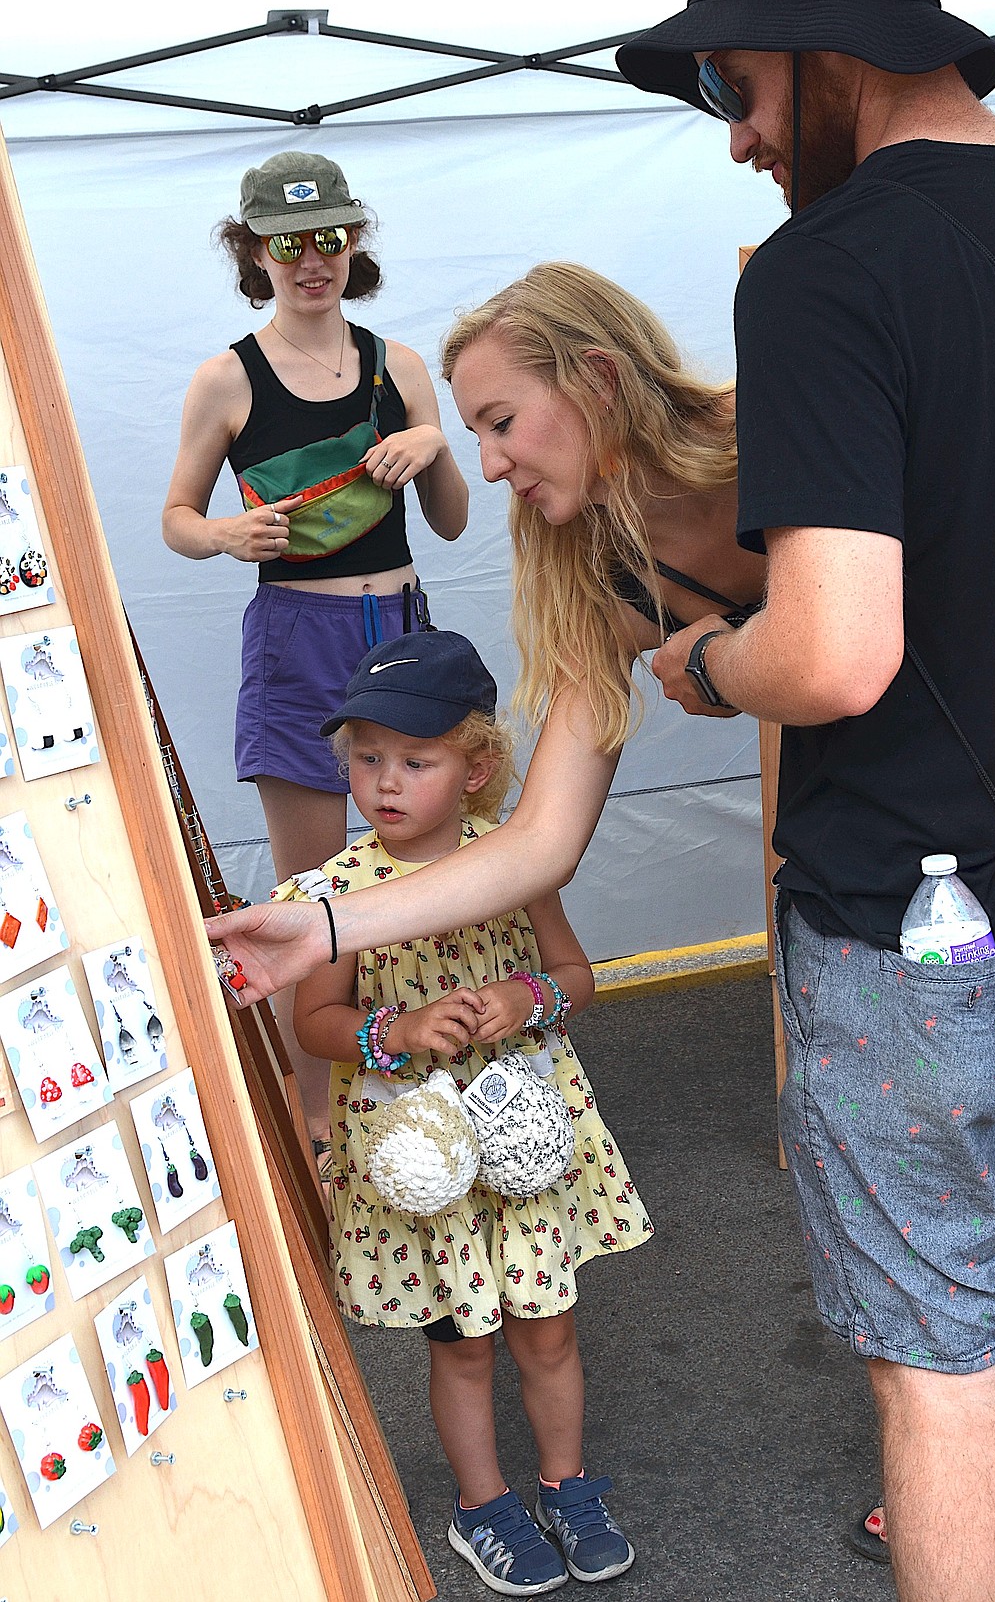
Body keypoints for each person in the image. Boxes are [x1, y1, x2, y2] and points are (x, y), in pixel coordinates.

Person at [614, 0, 995, 1602]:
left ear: (830, 50)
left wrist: (705, 664)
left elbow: (839, 652)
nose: (740, 138)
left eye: (742, 88)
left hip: (907, 928)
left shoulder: (826, 270)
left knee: (939, 1380)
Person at [206, 260, 765, 991]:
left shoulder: (774, 431)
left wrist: (725, 658)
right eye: (473, 434)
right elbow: (539, 841)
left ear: (599, 380)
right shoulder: (600, 579)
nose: (492, 466)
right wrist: (325, 928)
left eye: (501, 424)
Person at [281, 630, 649, 1595]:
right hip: (424, 1159)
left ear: (478, 765)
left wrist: (532, 999)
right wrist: (392, 1030)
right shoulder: (336, 896)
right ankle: (481, 1507)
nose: (385, 782)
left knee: (550, 1327)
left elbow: (576, 975)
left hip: (525, 1146)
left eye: (415, 759)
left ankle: (566, 1485)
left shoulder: (517, 860)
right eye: (366, 759)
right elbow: (313, 1021)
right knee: (464, 1342)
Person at [163, 150, 468, 1148]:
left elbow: (453, 523)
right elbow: (176, 514)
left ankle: (426, 1108)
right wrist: (220, 535)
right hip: (300, 635)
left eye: (329, 237)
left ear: (353, 242)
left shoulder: (400, 364)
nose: (311, 261)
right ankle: (321, 1135)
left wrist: (435, 443)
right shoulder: (227, 377)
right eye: (288, 243)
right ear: (254, 250)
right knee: (318, 896)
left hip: (402, 632)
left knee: (423, 879)